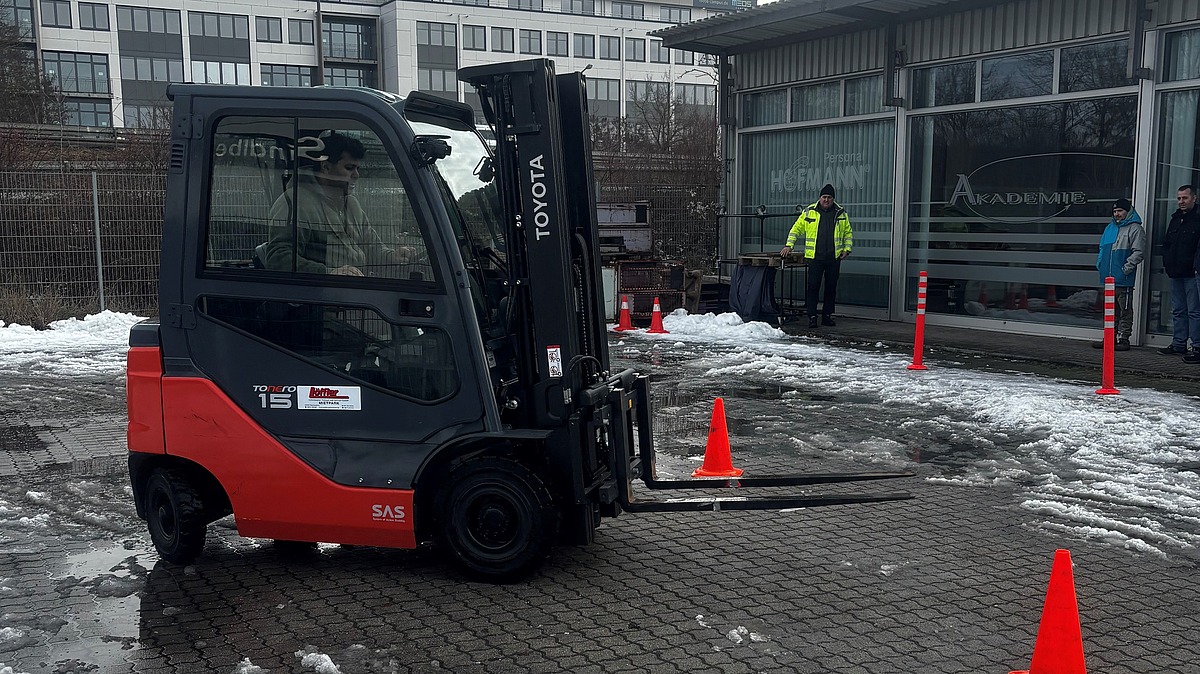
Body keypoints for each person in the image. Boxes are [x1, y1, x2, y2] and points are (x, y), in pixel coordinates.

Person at [262, 132, 413, 276]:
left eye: (357, 168)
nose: (356, 175)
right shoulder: (297, 202)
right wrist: (328, 274)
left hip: (353, 286)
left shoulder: (352, 205)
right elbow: (278, 258)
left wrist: (392, 256)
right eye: (349, 168)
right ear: (326, 167)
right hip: (323, 291)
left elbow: (371, 247)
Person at [780, 183, 852, 328]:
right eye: (824, 197)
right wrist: (789, 245)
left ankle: (827, 316)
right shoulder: (809, 212)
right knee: (813, 287)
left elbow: (848, 233)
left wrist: (847, 249)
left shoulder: (840, 213)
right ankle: (812, 316)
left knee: (831, 287)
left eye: (829, 197)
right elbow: (796, 229)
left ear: (833, 199)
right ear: (819, 198)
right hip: (815, 257)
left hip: (833, 257)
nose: (826, 200)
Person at [1092, 198, 1145, 351]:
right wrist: (1100, 264)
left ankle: (1124, 338)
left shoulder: (1135, 229)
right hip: (1108, 278)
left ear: (1128, 211)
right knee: (1110, 311)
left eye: (1120, 211)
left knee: (1125, 310)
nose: (1117, 214)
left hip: (1123, 278)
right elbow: (1102, 249)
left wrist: (1125, 269)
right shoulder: (1110, 228)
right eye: (1115, 211)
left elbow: (1138, 252)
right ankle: (1109, 338)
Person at [1158, 184, 1200, 363]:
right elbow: (1167, 243)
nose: (1181, 201)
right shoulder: (1175, 219)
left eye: (1185, 198)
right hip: (1176, 272)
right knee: (1178, 310)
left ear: (1194, 198)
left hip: (1192, 273)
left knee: (1194, 311)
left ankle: (1197, 347)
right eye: (1179, 198)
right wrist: (1167, 262)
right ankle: (1178, 343)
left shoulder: (1197, 219)